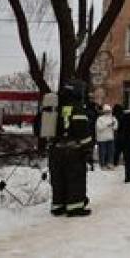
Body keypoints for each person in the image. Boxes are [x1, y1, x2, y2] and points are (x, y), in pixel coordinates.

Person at [48, 80, 93, 217]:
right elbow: (82, 130)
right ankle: (74, 207)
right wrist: (87, 148)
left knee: (58, 179)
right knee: (75, 178)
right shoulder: (77, 107)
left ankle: (58, 205)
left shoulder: (55, 106)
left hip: (55, 149)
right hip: (73, 150)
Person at [95, 104, 117, 169]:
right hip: (102, 139)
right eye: (106, 111)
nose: (108, 112)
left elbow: (116, 127)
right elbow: (99, 128)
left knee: (111, 152)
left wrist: (113, 125)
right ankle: (102, 164)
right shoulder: (100, 119)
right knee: (102, 152)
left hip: (110, 137)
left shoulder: (113, 118)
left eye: (109, 111)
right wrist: (108, 125)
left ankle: (109, 163)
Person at [86, 102, 99, 171]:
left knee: (86, 148)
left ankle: (87, 163)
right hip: (92, 133)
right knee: (91, 149)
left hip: (86, 133)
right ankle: (90, 164)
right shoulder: (95, 113)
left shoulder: (85, 112)